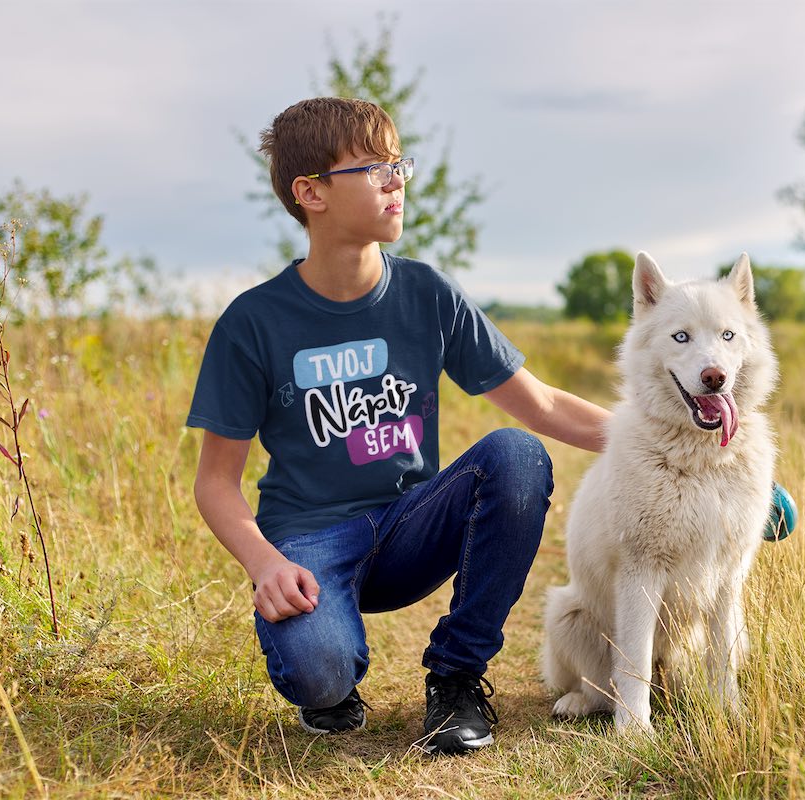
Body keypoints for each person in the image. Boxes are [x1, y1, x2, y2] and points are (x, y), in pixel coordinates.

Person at [188, 97, 610, 756]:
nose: (397, 181)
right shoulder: (253, 322)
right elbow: (215, 483)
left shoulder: (427, 294)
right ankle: (331, 680)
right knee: (320, 674)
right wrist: (265, 564)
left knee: (516, 455)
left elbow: (545, 407)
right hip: (309, 542)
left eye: (398, 164)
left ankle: (457, 677)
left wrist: (690, 446)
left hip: (410, 528)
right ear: (311, 193)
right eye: (373, 168)